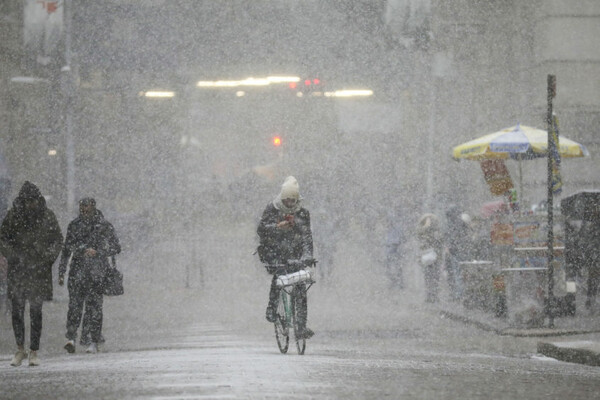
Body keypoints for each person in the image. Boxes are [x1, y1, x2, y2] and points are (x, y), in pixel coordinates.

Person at [0, 181, 63, 367]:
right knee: (17, 311)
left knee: (36, 311)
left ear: (38, 200)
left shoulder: (47, 216)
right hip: (18, 271)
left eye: (33, 201)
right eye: (28, 201)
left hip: (39, 271)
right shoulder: (13, 216)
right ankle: (20, 349)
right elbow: (2, 238)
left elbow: (57, 239)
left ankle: (34, 351)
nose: (31, 205)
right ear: (23, 201)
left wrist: (47, 257)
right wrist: (12, 256)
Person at [59, 198, 121, 354]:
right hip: (77, 272)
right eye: (82, 207)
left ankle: (93, 340)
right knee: (75, 307)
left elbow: (116, 247)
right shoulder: (74, 225)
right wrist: (62, 271)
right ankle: (71, 337)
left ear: (93, 207)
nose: (84, 210)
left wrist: (98, 252)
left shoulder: (104, 226)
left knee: (94, 308)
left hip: (97, 273)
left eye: (86, 207)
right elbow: (66, 249)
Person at [257, 176, 314, 339]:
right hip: (273, 251)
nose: (289, 203)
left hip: (294, 252)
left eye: (292, 200)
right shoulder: (272, 209)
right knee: (279, 275)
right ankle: (272, 309)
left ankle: (301, 326)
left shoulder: (303, 213)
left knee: (301, 286)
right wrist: (277, 227)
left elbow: (307, 237)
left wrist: (308, 256)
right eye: (286, 199)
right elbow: (261, 230)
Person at [444, 206, 472, 301]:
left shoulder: (452, 224)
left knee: (458, 273)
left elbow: (452, 238)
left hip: (456, 251)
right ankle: (467, 293)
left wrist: (449, 247)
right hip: (465, 250)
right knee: (465, 273)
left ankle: (460, 294)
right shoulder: (462, 222)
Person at [417, 213, 443, 303]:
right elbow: (419, 235)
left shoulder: (436, 231)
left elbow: (439, 241)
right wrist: (426, 227)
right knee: (428, 276)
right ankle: (430, 295)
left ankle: (434, 295)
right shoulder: (422, 230)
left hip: (435, 256)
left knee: (435, 276)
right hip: (426, 256)